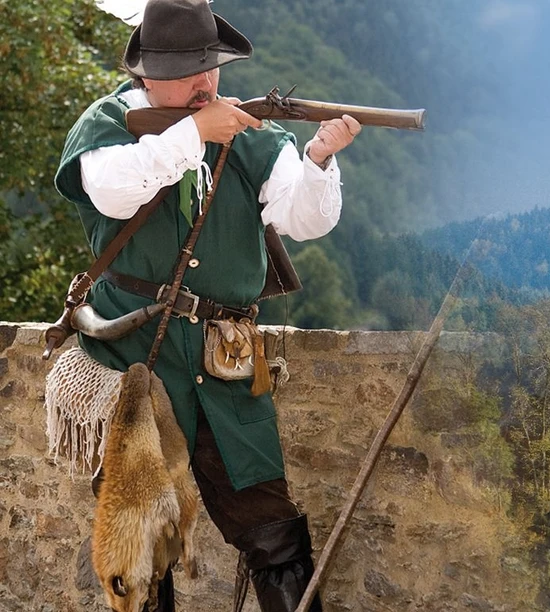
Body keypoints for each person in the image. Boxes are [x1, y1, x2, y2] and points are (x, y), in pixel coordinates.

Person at [52, 0, 360, 610]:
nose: (207, 80)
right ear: (148, 70)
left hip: (225, 364)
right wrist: (194, 133)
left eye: (210, 65)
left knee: (271, 528)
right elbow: (116, 191)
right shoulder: (109, 124)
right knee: (143, 545)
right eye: (191, 67)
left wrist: (320, 161)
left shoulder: (241, 129)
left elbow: (303, 217)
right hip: (135, 362)